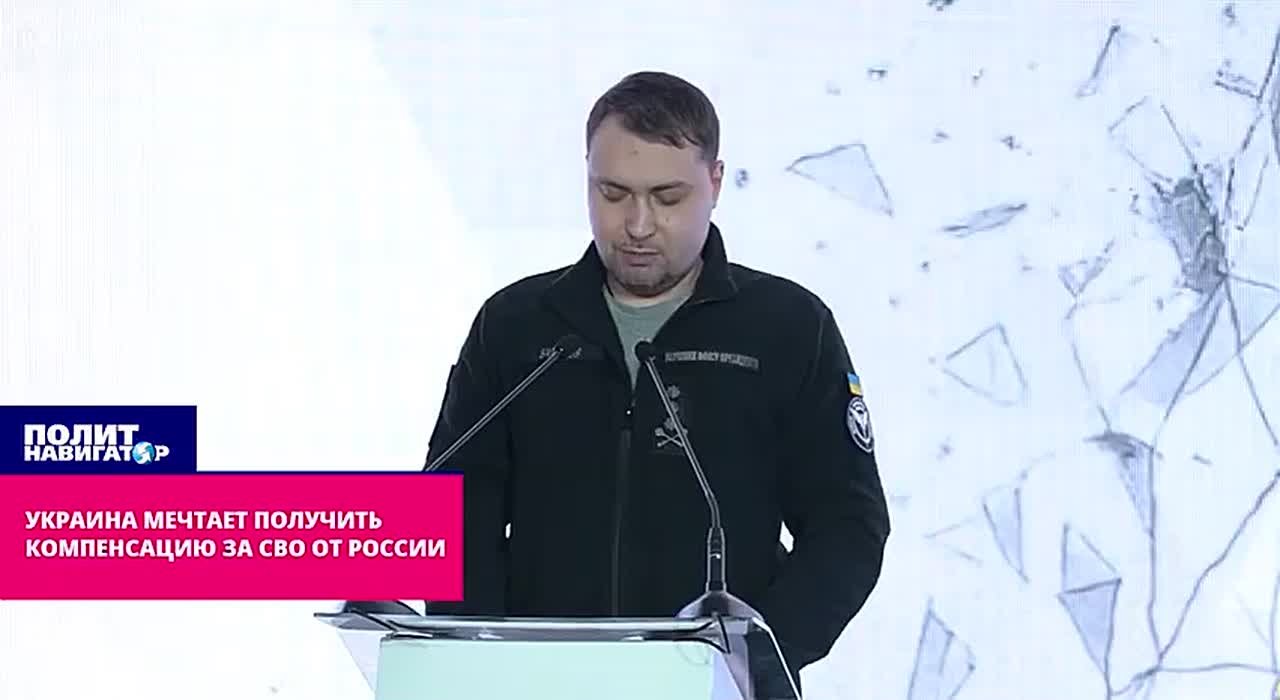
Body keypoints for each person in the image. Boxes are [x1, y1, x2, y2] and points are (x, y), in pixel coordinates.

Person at [424, 70, 890, 687]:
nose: (638, 225)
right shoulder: (515, 325)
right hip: (537, 681)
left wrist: (759, 656)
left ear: (715, 183)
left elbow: (847, 526)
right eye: (613, 193)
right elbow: (453, 510)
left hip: (720, 687)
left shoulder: (789, 328)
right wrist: (477, 655)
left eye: (668, 198)